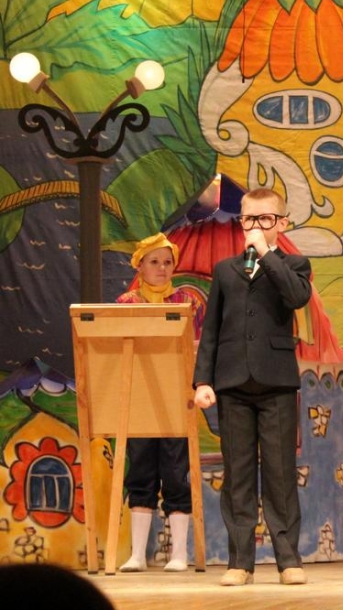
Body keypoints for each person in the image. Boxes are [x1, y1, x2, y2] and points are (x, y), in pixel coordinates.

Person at [193, 188, 313, 586]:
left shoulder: (294, 265)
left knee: (280, 474)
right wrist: (203, 380)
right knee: (238, 475)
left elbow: (296, 297)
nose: (255, 226)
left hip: (276, 382)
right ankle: (239, 562)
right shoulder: (226, 270)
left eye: (265, 219)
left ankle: (288, 560)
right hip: (233, 383)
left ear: (282, 223)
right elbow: (211, 329)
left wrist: (266, 253)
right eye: (249, 219)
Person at [116, 232, 205, 572]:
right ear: (140, 265)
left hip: (175, 398)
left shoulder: (186, 302)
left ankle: (179, 553)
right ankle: (138, 554)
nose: (162, 268)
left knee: (176, 472)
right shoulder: (126, 303)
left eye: (168, 262)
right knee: (140, 470)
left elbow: (196, 348)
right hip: (139, 398)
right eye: (154, 262)